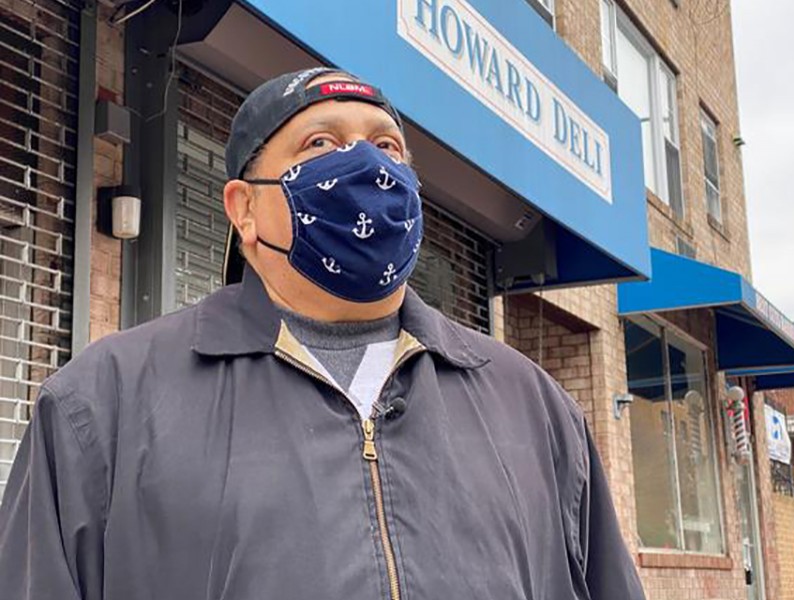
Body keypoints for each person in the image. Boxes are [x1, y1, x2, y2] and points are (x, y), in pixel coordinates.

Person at [0, 67, 646, 600]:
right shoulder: (104, 402)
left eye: (387, 146)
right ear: (244, 209)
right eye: (320, 144)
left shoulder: (532, 403)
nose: (367, 165)